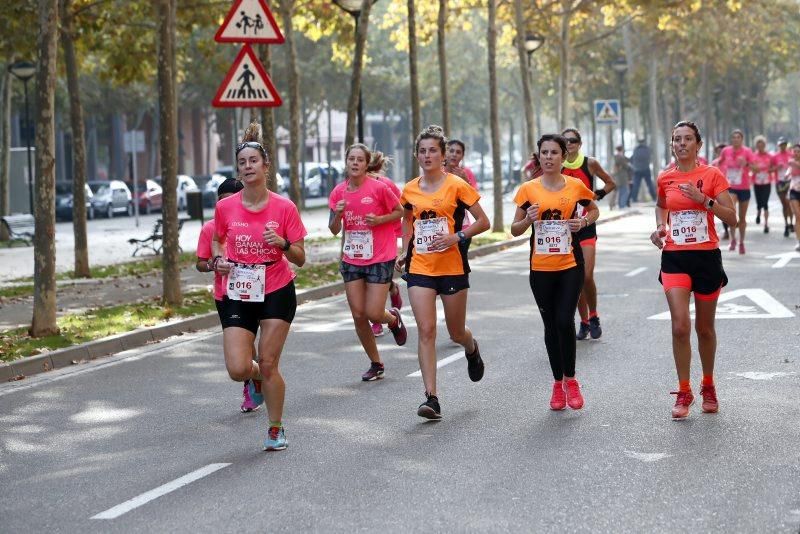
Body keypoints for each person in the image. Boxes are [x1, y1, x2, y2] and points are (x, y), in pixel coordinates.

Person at [211, 122, 307, 451]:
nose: (248, 167)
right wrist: (218, 261)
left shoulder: (284, 208)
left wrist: (281, 243)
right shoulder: (225, 207)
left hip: (276, 287)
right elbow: (217, 241)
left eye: (254, 161)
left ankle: (275, 428)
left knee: (268, 363)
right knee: (238, 368)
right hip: (238, 288)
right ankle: (254, 378)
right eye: (243, 162)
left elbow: (301, 257)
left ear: (266, 166)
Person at [397, 125, 490, 420]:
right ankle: (431, 398)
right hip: (420, 267)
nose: (427, 156)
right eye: (422, 151)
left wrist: (456, 237)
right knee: (426, 330)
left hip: (452, 266)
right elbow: (408, 221)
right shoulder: (409, 189)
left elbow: (484, 221)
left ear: (442, 154)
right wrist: (404, 249)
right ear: (417, 155)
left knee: (455, 331)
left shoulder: (457, 185)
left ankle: (471, 347)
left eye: (432, 151)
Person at [650, 121, 737, 420]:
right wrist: (660, 227)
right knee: (679, 327)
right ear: (672, 144)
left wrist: (704, 200)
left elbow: (732, 218)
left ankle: (708, 384)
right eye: (677, 139)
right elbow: (661, 206)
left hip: (706, 257)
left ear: (698, 144)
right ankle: (684, 390)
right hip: (675, 257)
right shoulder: (665, 177)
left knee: (704, 329)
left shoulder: (712, 174)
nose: (682, 143)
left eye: (688, 139)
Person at [511, 134, 599, 411]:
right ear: (538, 157)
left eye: (554, 153)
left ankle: (571, 380)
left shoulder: (575, 185)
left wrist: (582, 221)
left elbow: (594, 209)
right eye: (544, 152)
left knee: (564, 320)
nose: (548, 157)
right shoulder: (528, 189)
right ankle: (556, 383)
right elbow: (514, 229)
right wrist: (528, 219)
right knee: (550, 326)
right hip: (540, 268)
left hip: (570, 264)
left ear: (563, 157)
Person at [329, 144, 407, 381]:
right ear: (346, 162)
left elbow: (400, 211)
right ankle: (376, 363)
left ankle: (392, 319)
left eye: (359, 160)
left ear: (366, 164)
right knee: (359, 315)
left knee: (374, 312)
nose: (355, 163)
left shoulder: (379, 188)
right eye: (351, 159)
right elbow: (333, 229)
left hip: (380, 256)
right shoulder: (338, 192)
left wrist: (381, 219)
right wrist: (338, 214)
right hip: (352, 257)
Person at [196, 178, 260, 412]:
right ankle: (251, 381)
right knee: (243, 344)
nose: (227, 206)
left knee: (255, 342)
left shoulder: (256, 221)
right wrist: (214, 265)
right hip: (227, 294)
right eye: (222, 201)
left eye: (232, 200)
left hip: (259, 290)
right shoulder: (210, 228)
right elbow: (200, 263)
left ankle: (262, 374)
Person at [560, 128, 616, 340]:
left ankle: (593, 316)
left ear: (580, 143)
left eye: (573, 140)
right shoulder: (557, 165)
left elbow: (611, 182)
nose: (569, 144)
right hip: (565, 229)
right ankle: (583, 321)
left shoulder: (589, 163)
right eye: (565, 141)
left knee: (586, 275)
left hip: (586, 224)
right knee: (575, 279)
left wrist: (597, 195)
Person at [366, 151, 404, 337]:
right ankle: (393, 288)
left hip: (384, 241)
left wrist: (382, 221)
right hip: (362, 245)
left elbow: (400, 208)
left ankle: (377, 321)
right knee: (370, 281)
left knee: (376, 280)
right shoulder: (352, 185)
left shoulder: (386, 184)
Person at [717, 129, 754, 254]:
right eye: (734, 137)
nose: (736, 139)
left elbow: (757, 168)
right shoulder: (726, 151)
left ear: (741, 139)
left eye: (738, 137)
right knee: (732, 213)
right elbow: (719, 161)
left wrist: (746, 163)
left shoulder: (747, 151)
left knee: (742, 218)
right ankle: (733, 239)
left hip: (744, 187)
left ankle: (741, 242)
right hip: (731, 187)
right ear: (731, 139)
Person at [445, 139, 480, 259]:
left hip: (462, 229)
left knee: (460, 270)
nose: (454, 154)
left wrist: (466, 181)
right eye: (451, 151)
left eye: (458, 152)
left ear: (462, 156)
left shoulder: (466, 173)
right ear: (444, 152)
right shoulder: (435, 173)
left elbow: (474, 200)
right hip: (441, 230)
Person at [773, 137, 795, 237]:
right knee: (785, 204)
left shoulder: (792, 155)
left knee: (789, 202)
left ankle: (791, 223)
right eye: (781, 144)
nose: (782, 146)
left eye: (784, 144)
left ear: (786, 145)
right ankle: (786, 224)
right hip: (780, 182)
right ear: (778, 145)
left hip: (791, 181)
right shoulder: (775, 156)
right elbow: (769, 169)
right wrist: (777, 167)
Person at [751, 135, 773, 233]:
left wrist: (769, 170)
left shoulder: (769, 156)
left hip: (767, 182)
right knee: (759, 203)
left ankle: (766, 224)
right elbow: (751, 168)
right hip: (757, 182)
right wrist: (755, 169)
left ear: (764, 145)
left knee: (765, 203)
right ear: (756, 146)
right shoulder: (753, 156)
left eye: (762, 145)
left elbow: (773, 167)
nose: (760, 147)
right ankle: (759, 212)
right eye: (758, 145)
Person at [630, 138, 656, 202]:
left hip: (637, 170)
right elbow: (650, 158)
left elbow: (632, 159)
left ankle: (634, 198)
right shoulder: (647, 149)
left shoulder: (636, 149)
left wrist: (634, 165)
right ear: (644, 142)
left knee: (636, 185)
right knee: (649, 184)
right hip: (646, 169)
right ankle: (654, 197)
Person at [786, 143, 800, 251]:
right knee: (798, 216)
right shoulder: (791, 162)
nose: (796, 153)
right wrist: (787, 174)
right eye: (794, 151)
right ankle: (798, 241)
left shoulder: (793, 162)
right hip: (794, 191)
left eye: (798, 151)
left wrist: (795, 164)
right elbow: (788, 172)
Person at [609, 145, 631, 209]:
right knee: (624, 191)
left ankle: (611, 205)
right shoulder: (621, 157)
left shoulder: (614, 157)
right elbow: (626, 166)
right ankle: (622, 205)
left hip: (615, 176)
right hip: (621, 177)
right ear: (621, 150)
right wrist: (628, 164)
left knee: (615, 192)